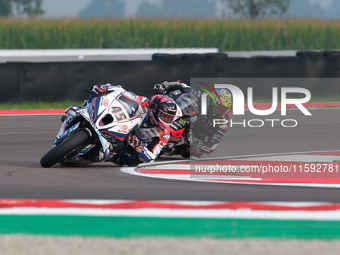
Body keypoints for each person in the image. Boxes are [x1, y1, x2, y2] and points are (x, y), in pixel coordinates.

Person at [89, 82, 179, 166]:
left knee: (137, 159)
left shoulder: (164, 134)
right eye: (164, 116)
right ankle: (89, 107)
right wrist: (106, 88)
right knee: (98, 93)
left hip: (131, 143)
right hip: (121, 124)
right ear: (154, 110)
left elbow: (152, 157)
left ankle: (114, 158)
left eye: (169, 118)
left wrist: (139, 146)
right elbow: (122, 92)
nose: (166, 121)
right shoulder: (143, 102)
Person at [152, 81, 233, 159]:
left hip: (197, 131)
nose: (219, 112)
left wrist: (195, 141)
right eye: (218, 108)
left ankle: (171, 150)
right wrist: (164, 86)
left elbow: (211, 148)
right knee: (189, 98)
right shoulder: (201, 96)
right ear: (211, 101)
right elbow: (182, 86)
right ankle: (159, 111)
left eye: (223, 110)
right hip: (183, 117)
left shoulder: (222, 124)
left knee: (196, 152)